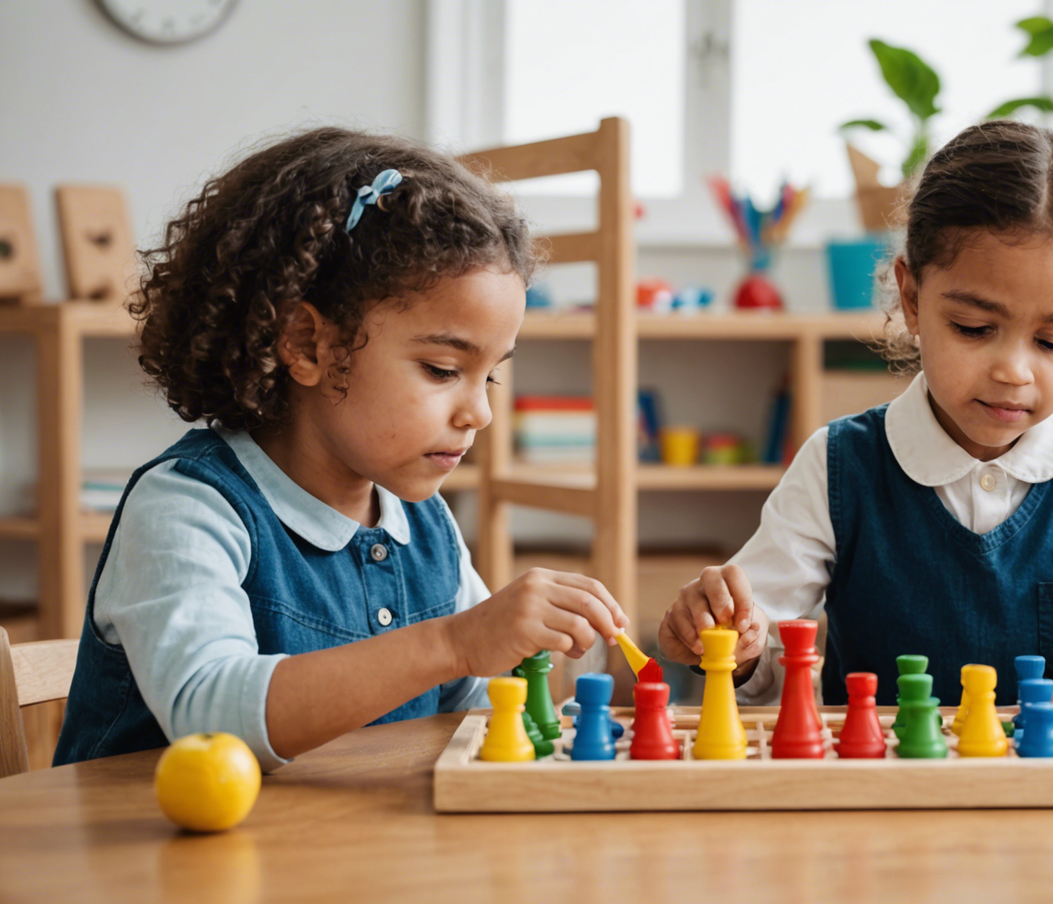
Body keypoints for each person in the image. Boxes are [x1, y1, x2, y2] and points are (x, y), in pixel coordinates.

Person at [55, 128, 627, 769]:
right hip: (147, 862)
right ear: (306, 345)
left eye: (489, 374)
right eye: (442, 369)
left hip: (336, 861)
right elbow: (209, 714)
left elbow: (475, 711)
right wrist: (456, 642)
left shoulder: (426, 527)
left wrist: (525, 667)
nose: (481, 412)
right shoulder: (189, 507)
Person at [657, 120, 1053, 716]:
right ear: (912, 299)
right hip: (884, 797)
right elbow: (756, 658)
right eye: (975, 329)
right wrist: (729, 636)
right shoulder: (838, 467)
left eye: (1052, 342)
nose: (1014, 371)